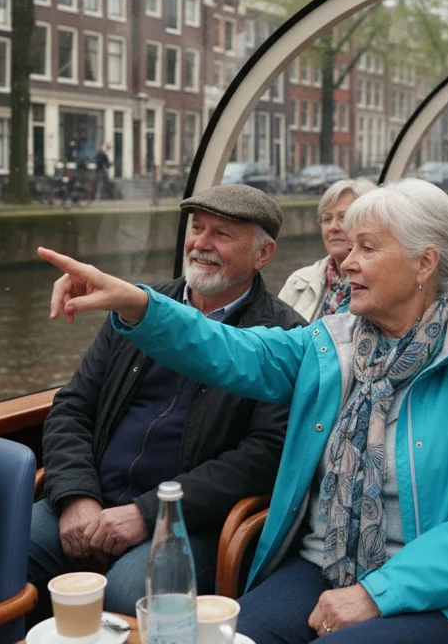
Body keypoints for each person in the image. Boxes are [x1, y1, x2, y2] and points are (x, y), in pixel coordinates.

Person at [42, 179, 448, 644]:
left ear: (425, 263)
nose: (347, 261)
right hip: (325, 564)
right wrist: (137, 303)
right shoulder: (333, 345)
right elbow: (231, 350)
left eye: (368, 248)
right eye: (349, 245)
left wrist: (379, 592)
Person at [29, 184, 304, 618]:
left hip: (192, 521)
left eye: (222, 234)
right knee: (6, 547)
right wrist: (75, 496)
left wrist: (147, 513)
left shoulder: (284, 336)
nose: (201, 244)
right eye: (197, 228)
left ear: (263, 254)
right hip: (95, 497)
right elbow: (73, 407)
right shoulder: (135, 307)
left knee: (131, 592)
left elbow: (265, 454)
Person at [278, 178, 376, 320]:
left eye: (343, 217)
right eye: (327, 219)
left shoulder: (382, 284)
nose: (333, 227)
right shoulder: (298, 282)